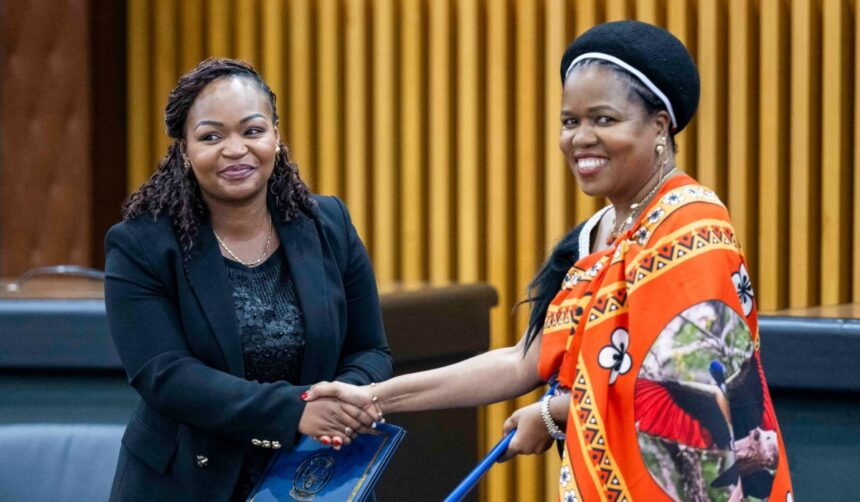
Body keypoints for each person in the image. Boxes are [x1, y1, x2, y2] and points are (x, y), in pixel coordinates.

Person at [307, 21, 794, 501]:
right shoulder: (592, 236)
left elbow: (677, 393)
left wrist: (553, 414)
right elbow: (523, 361)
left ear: (659, 126)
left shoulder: (692, 224)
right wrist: (374, 397)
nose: (580, 138)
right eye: (570, 121)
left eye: (604, 119)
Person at [104, 58, 392, 501]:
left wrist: (339, 403)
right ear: (184, 149)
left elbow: (370, 349)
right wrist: (296, 410)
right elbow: (166, 376)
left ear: (276, 136)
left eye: (252, 131)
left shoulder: (328, 224)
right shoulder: (140, 244)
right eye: (211, 136)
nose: (235, 149)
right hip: (188, 481)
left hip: (316, 472)